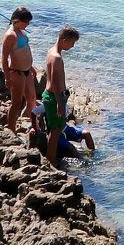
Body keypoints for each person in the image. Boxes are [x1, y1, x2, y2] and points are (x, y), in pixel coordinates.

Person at [38, 26, 95, 162]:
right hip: (54, 97)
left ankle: (50, 159)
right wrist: (59, 103)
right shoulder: (56, 57)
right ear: (64, 40)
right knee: (55, 131)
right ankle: (50, 161)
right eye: (72, 43)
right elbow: (55, 83)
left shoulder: (51, 51)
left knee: (54, 130)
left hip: (51, 96)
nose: (72, 46)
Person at [1, 7, 39, 132]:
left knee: (32, 99)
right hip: (17, 72)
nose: (28, 24)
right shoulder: (10, 35)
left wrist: (31, 67)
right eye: (26, 22)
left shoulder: (21, 31)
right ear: (17, 20)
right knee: (16, 103)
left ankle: (34, 125)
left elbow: (25, 51)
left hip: (27, 71)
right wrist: (7, 77)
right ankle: (11, 129)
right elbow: (4, 58)